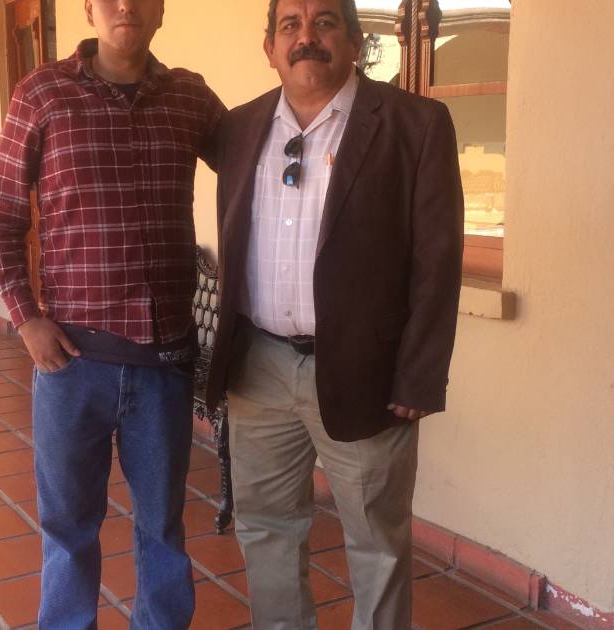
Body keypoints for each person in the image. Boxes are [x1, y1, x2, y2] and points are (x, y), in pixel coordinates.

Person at [204, 0, 463, 627]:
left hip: (365, 371)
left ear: (354, 39)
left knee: (376, 542)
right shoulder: (240, 128)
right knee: (266, 528)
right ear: (269, 46)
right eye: (289, 25)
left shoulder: (414, 124)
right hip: (258, 368)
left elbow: (438, 260)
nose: (306, 37)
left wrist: (419, 375)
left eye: (324, 22)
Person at [0, 0, 224, 627]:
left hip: (163, 362)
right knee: (68, 527)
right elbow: (0, 216)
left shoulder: (191, 99)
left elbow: (259, 161)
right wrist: (25, 317)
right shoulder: (42, 94)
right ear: (89, 9)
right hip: (71, 362)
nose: (126, 6)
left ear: (160, 9)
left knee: (162, 526)